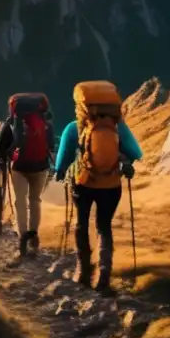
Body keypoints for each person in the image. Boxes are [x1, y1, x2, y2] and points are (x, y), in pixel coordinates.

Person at [55, 81, 143, 292]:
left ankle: (83, 270)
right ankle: (104, 271)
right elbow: (136, 152)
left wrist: (59, 172)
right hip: (111, 185)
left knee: (82, 223)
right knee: (104, 226)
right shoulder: (117, 126)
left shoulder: (73, 128)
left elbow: (63, 160)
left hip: (84, 182)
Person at [0, 93, 55, 258]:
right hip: (41, 166)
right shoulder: (46, 124)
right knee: (35, 200)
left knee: (20, 201)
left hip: (19, 167)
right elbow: (51, 145)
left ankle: (22, 236)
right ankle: (33, 235)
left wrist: (2, 158)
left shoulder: (12, 123)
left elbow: (0, 145)